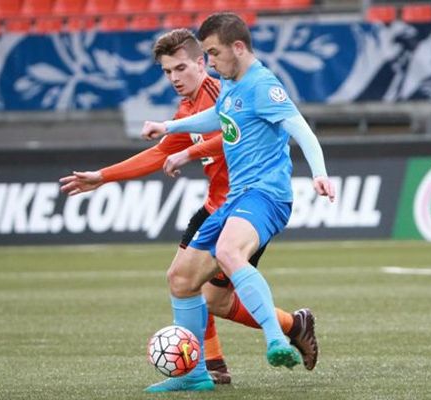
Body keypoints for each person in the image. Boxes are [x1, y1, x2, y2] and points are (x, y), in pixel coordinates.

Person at [59, 29, 318, 385]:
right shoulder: (187, 108)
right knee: (190, 285)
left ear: (202, 63)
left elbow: (230, 133)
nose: (174, 78)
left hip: (246, 205)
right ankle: (211, 366)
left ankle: (276, 332)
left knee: (211, 296)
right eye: (167, 72)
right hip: (216, 205)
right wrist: (103, 176)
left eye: (181, 68)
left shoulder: (221, 90)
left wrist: (190, 151)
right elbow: (162, 151)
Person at [141, 13, 335, 393]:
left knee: (230, 252)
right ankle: (194, 376)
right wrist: (170, 127)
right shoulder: (232, 84)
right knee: (181, 280)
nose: (209, 62)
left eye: (213, 53)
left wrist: (320, 173)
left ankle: (277, 340)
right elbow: (218, 115)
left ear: (238, 48)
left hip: (266, 196)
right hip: (235, 198)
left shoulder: (264, 85)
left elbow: (301, 129)